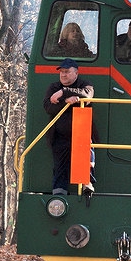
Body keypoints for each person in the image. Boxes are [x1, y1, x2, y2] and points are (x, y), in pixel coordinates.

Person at [42, 58, 95, 194]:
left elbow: (87, 96)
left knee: (86, 156)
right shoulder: (53, 87)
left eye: (67, 71)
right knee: (60, 166)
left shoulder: (85, 85)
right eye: (62, 72)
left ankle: (86, 185)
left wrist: (64, 92)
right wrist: (67, 101)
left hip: (81, 133)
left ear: (76, 73)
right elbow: (49, 107)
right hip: (59, 135)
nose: (63, 74)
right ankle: (59, 194)